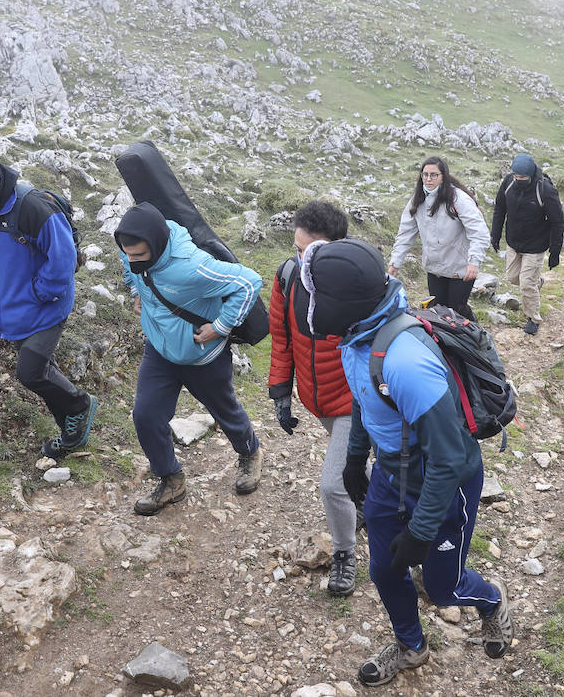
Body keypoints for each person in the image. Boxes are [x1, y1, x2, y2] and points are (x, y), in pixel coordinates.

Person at [302, 240, 512, 687]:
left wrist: (420, 532)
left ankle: (492, 601)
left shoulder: (406, 361)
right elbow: (366, 395)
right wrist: (356, 456)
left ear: (340, 302)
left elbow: (450, 457)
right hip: (391, 473)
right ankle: (411, 646)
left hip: (443, 480)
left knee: (442, 588)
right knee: (383, 568)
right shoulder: (357, 338)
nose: (311, 303)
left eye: (316, 294)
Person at [115, 202, 264, 516]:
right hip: (159, 350)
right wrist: (136, 291)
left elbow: (249, 281)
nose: (132, 260)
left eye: (140, 255)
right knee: (145, 416)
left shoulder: (191, 265)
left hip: (203, 356)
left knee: (224, 411)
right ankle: (171, 479)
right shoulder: (133, 249)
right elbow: (129, 263)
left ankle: (250, 452)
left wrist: (221, 326)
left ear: (156, 245)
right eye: (128, 253)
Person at [0, 148, 96, 460]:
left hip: (46, 308)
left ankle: (80, 405)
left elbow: (62, 260)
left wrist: (38, 294)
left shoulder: (33, 208)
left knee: (30, 373)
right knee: (42, 370)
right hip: (8, 314)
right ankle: (71, 434)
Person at [267, 200, 358, 596]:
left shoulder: (359, 283)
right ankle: (370, 504)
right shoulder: (287, 276)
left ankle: (344, 553)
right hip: (316, 398)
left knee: (332, 486)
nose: (301, 258)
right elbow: (282, 338)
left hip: (355, 403)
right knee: (353, 472)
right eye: (297, 248)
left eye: (310, 252)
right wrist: (281, 393)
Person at [388, 156, 490, 319]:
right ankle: (445, 344)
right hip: (434, 268)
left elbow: (479, 232)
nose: (429, 179)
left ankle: (476, 337)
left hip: (460, 267)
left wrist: (474, 261)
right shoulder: (417, 200)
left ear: (443, 176)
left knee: (457, 310)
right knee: (438, 311)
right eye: (425, 174)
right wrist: (395, 262)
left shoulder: (458, 199)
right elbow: (405, 234)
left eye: (434, 175)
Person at [489, 153, 564, 336]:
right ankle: (537, 282)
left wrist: (555, 252)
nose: (518, 179)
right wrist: (496, 234)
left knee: (525, 284)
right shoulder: (508, 183)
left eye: (522, 177)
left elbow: (558, 222)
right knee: (513, 278)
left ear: (531, 174)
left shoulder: (544, 189)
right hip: (514, 242)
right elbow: (500, 208)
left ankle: (533, 318)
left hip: (536, 245)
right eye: (516, 176)